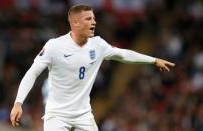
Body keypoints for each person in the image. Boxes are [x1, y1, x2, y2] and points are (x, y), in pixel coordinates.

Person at [10, 4, 175, 131]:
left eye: (94, 18)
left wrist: (153, 60)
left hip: (83, 115)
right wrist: (18, 102)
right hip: (57, 114)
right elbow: (32, 74)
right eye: (88, 19)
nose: (94, 22)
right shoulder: (55, 46)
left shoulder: (98, 45)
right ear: (75, 22)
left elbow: (123, 55)